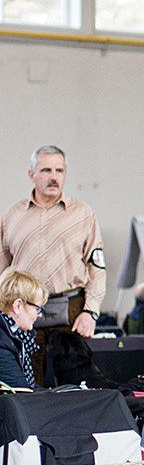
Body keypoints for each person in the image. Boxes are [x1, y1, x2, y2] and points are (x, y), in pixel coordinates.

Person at [0, 146, 105, 386]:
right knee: (25, 385)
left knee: (73, 388)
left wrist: (91, 311)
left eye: (59, 170)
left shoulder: (84, 214)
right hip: (23, 311)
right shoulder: (11, 215)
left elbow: (97, 267)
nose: (53, 176)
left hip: (71, 310)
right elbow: (2, 272)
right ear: (31, 175)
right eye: (46, 170)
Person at [0, 269, 47, 389]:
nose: (39, 315)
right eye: (37, 309)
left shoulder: (12, 335)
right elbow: (21, 393)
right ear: (17, 306)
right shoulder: (3, 343)